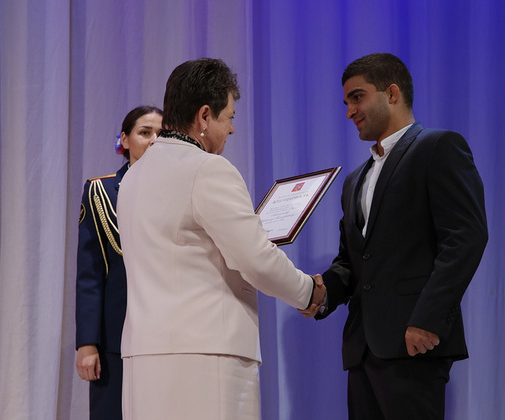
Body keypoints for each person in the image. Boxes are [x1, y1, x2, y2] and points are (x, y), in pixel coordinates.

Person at [116, 58, 325, 420]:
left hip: (144, 355)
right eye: (228, 117)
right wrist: (308, 292)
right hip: (204, 357)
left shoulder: (134, 175)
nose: (231, 129)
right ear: (204, 116)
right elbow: (256, 259)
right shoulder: (208, 169)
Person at [315, 53, 488, 419]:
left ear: (391, 93)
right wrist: (320, 292)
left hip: (415, 342)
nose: (349, 111)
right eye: (346, 102)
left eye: (357, 97)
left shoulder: (439, 147)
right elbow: (351, 261)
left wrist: (428, 318)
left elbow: (465, 237)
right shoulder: (353, 180)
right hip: (363, 349)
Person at [75, 105, 163, 420]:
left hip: (167, 333)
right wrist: (87, 343)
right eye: (145, 132)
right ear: (125, 140)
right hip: (115, 336)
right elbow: (90, 273)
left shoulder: (178, 190)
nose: (153, 140)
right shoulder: (100, 192)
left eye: (161, 134)